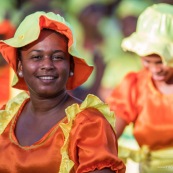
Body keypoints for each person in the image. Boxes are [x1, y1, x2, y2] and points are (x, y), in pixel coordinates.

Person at [0, 11, 125, 173]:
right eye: (36, 57)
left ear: (71, 66)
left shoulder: (89, 124)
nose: (47, 65)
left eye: (58, 57)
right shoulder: (6, 116)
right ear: (20, 67)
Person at [106, 3, 173, 173]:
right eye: (147, 61)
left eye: (160, 62)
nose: (155, 69)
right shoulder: (134, 87)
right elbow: (108, 137)